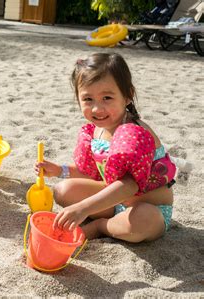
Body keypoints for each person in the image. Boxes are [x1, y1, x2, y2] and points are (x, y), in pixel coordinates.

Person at [35, 53, 176, 243]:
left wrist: (83, 208)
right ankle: (111, 219)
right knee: (62, 190)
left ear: (127, 96)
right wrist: (61, 170)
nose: (97, 109)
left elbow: (129, 185)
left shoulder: (133, 134)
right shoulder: (97, 131)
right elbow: (95, 173)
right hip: (114, 203)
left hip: (148, 209)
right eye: (88, 99)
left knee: (142, 222)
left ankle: (101, 226)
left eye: (107, 98)